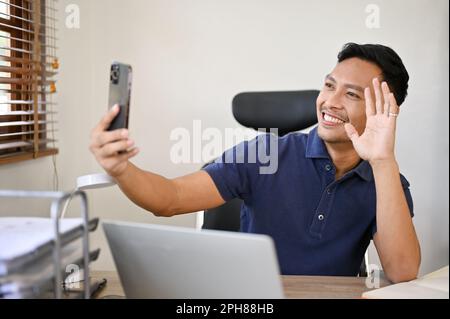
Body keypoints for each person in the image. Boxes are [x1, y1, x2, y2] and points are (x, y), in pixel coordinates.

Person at [90, 43, 421, 282]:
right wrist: (121, 169)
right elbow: (169, 199)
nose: (330, 102)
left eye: (351, 94)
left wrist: (382, 159)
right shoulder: (262, 154)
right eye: (329, 86)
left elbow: (403, 271)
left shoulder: (387, 178)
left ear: (386, 109)